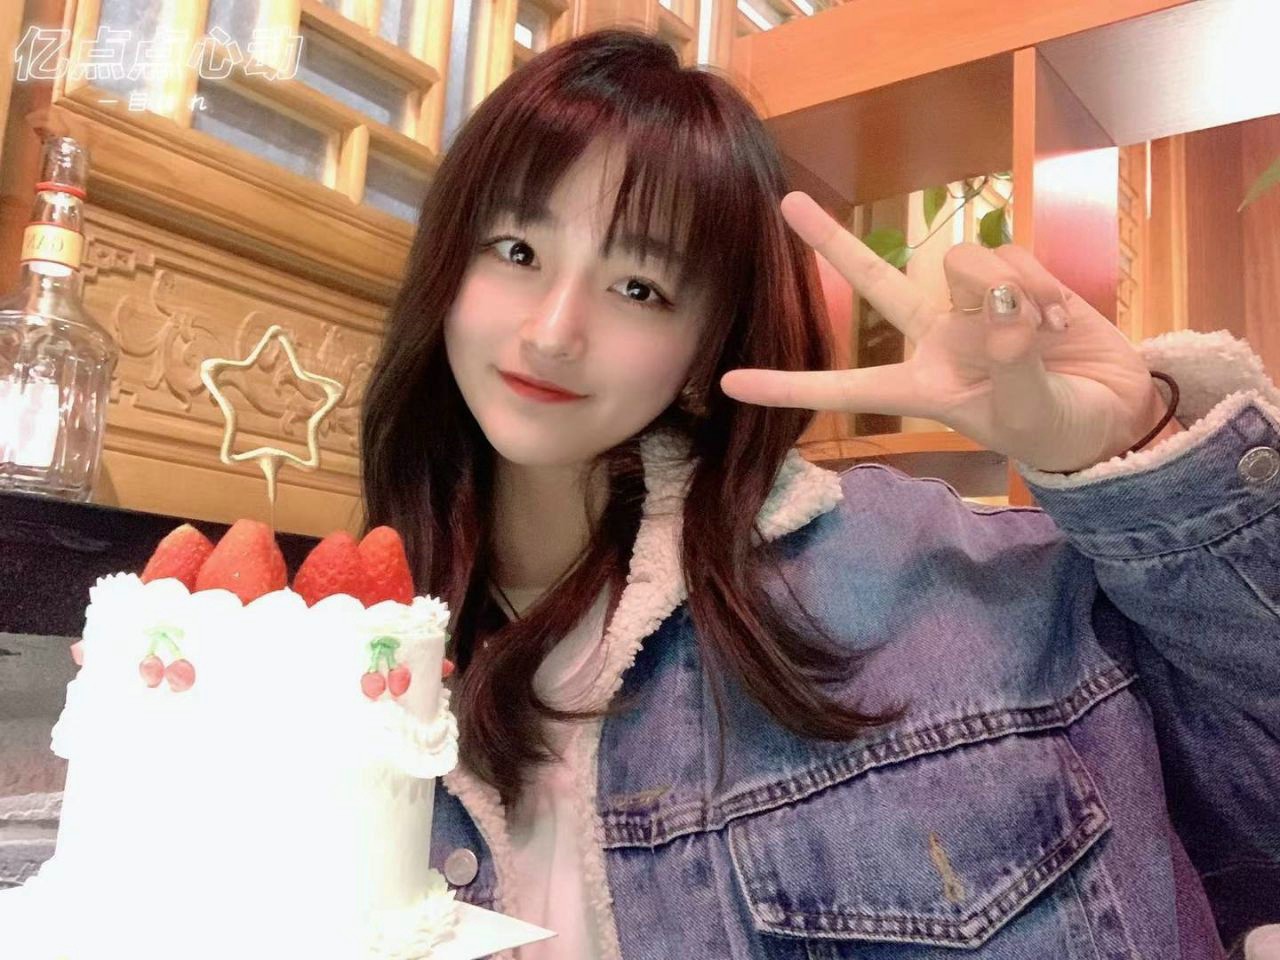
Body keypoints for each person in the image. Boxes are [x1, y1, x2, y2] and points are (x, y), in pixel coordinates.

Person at [359, 26, 1280, 960]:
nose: (554, 333)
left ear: (707, 345)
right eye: (516, 249)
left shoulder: (929, 587)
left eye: (638, 287)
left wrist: (1139, 453)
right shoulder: (340, 657)